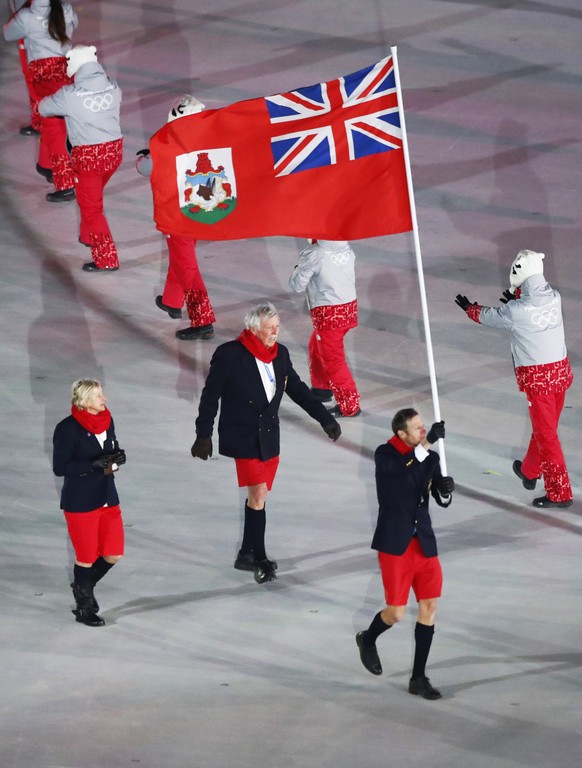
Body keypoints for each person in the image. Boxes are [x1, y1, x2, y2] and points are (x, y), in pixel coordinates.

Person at [191, 302, 342, 584]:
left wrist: (324, 419)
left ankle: (246, 553)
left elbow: (297, 390)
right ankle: (259, 559)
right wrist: (203, 433)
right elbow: (210, 396)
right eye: (269, 327)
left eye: (277, 326)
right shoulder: (229, 355)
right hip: (243, 436)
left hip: (269, 436)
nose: (275, 332)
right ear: (253, 328)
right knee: (258, 494)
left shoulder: (280, 355)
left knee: (258, 497)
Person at [455, 249, 573, 509]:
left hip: (539, 380)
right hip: (560, 375)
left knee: (547, 436)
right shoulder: (555, 297)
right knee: (546, 430)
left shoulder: (517, 311)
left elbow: (490, 316)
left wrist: (470, 308)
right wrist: (517, 297)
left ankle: (560, 493)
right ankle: (530, 471)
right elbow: (531, 304)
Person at [355, 409, 454, 700]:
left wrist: (445, 490)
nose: (424, 431)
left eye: (424, 427)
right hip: (395, 545)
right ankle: (368, 638)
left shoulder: (430, 457)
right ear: (402, 434)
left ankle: (418, 677)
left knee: (429, 607)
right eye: (418, 428)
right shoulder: (385, 454)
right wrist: (426, 447)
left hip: (423, 542)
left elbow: (437, 496)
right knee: (396, 613)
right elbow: (401, 473)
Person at [136, 95, 216, 339]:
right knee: (182, 256)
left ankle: (203, 320)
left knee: (187, 265)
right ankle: (172, 300)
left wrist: (149, 154)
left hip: (176, 215)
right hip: (200, 211)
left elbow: (143, 167)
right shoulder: (209, 140)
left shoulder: (167, 146)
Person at [38, 44, 122, 272]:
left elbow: (44, 108)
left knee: (92, 207)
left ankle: (106, 260)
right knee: (91, 197)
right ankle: (89, 235)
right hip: (114, 153)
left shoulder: (69, 95)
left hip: (88, 158)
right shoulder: (114, 88)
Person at [53, 379, 126, 626]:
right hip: (81, 502)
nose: (103, 400)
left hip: (107, 497)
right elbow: (60, 467)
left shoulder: (107, 420)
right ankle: (84, 608)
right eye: (98, 396)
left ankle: (83, 585)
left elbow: (110, 448)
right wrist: (91, 466)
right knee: (85, 556)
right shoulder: (67, 429)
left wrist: (118, 456)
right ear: (84, 401)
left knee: (114, 553)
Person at [3, 0, 77, 201]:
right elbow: (73, 24)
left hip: (44, 78)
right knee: (55, 124)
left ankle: (67, 184)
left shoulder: (27, 17)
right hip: (67, 71)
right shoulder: (65, 10)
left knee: (55, 131)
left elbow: (7, 33)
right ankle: (46, 165)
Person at [289, 239, 360, 417]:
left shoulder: (315, 253)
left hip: (328, 314)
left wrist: (300, 266)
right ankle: (322, 388)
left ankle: (349, 406)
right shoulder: (345, 246)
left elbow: (296, 285)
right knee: (316, 346)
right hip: (347, 309)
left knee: (334, 360)